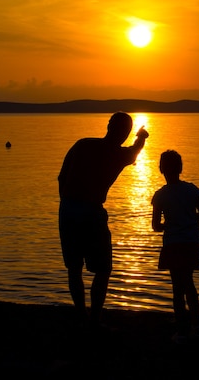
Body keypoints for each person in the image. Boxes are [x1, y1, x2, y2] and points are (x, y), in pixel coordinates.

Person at [58, 112, 149, 330]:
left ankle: (81, 315)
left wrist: (68, 202)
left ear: (109, 126)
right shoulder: (118, 155)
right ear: (125, 132)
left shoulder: (82, 145)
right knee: (103, 269)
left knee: (74, 268)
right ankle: (95, 320)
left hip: (68, 209)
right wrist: (142, 137)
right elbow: (135, 151)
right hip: (91, 211)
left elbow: (62, 177)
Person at [151, 150, 199, 343]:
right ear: (180, 168)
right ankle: (196, 324)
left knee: (177, 287)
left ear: (161, 169)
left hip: (173, 244)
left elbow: (156, 226)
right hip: (191, 242)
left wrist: (171, 224)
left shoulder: (160, 195)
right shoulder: (192, 190)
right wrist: (189, 220)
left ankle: (182, 330)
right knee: (189, 283)